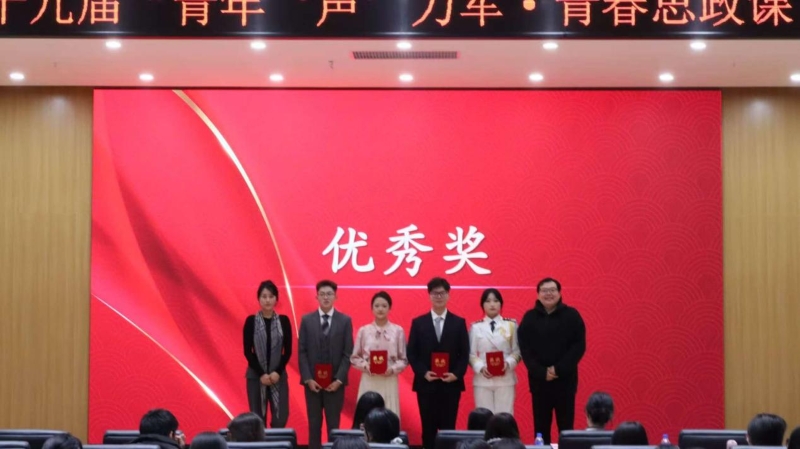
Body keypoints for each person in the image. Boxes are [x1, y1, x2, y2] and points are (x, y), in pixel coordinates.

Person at [518, 277, 586, 444]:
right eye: (544, 290)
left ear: (559, 293)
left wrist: (558, 369)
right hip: (539, 383)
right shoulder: (529, 318)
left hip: (565, 382)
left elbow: (578, 346)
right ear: (538, 295)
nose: (548, 294)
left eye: (552, 290)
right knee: (540, 429)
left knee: (566, 428)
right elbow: (525, 349)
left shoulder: (572, 315)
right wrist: (541, 372)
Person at [407, 277, 470, 449]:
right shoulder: (418, 323)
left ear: (448, 295)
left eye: (442, 293)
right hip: (426, 385)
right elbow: (411, 353)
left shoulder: (458, 323)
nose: (439, 297)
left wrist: (456, 374)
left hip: (451, 385)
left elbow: (464, 354)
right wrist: (424, 373)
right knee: (428, 429)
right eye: (435, 293)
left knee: (448, 429)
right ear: (429, 295)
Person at [298, 279, 355, 449]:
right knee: (314, 426)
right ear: (316, 297)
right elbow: (302, 352)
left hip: (335, 385)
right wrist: (308, 379)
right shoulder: (307, 320)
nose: (326, 297)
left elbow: (348, 353)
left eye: (329, 294)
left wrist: (339, 380)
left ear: (336, 297)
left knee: (334, 427)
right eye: (322, 294)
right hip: (312, 385)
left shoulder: (345, 321)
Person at [351, 291, 409, 419]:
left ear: (390, 308)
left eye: (384, 306)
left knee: (389, 415)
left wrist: (392, 369)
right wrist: (366, 366)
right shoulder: (364, 330)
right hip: (369, 378)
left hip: (389, 378)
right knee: (367, 414)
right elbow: (355, 358)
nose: (380, 309)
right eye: (377, 306)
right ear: (372, 308)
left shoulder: (398, 331)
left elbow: (404, 359)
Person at [243, 280, 293, 427]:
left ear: (276, 299)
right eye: (264, 296)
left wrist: (277, 372)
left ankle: (276, 440)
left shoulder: (284, 321)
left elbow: (287, 351)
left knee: (281, 417)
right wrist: (262, 374)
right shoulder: (251, 321)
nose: (267, 300)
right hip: (256, 376)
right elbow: (247, 352)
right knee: (257, 419)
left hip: (278, 375)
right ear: (258, 299)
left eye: (271, 296)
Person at [469, 288, 521, 414]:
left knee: (505, 416)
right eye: (488, 301)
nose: (492, 304)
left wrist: (507, 363)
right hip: (482, 379)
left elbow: (517, 351)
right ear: (482, 305)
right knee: (484, 418)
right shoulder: (476, 327)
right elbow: (470, 354)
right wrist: (481, 367)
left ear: (501, 304)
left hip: (505, 378)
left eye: (496, 301)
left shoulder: (511, 325)